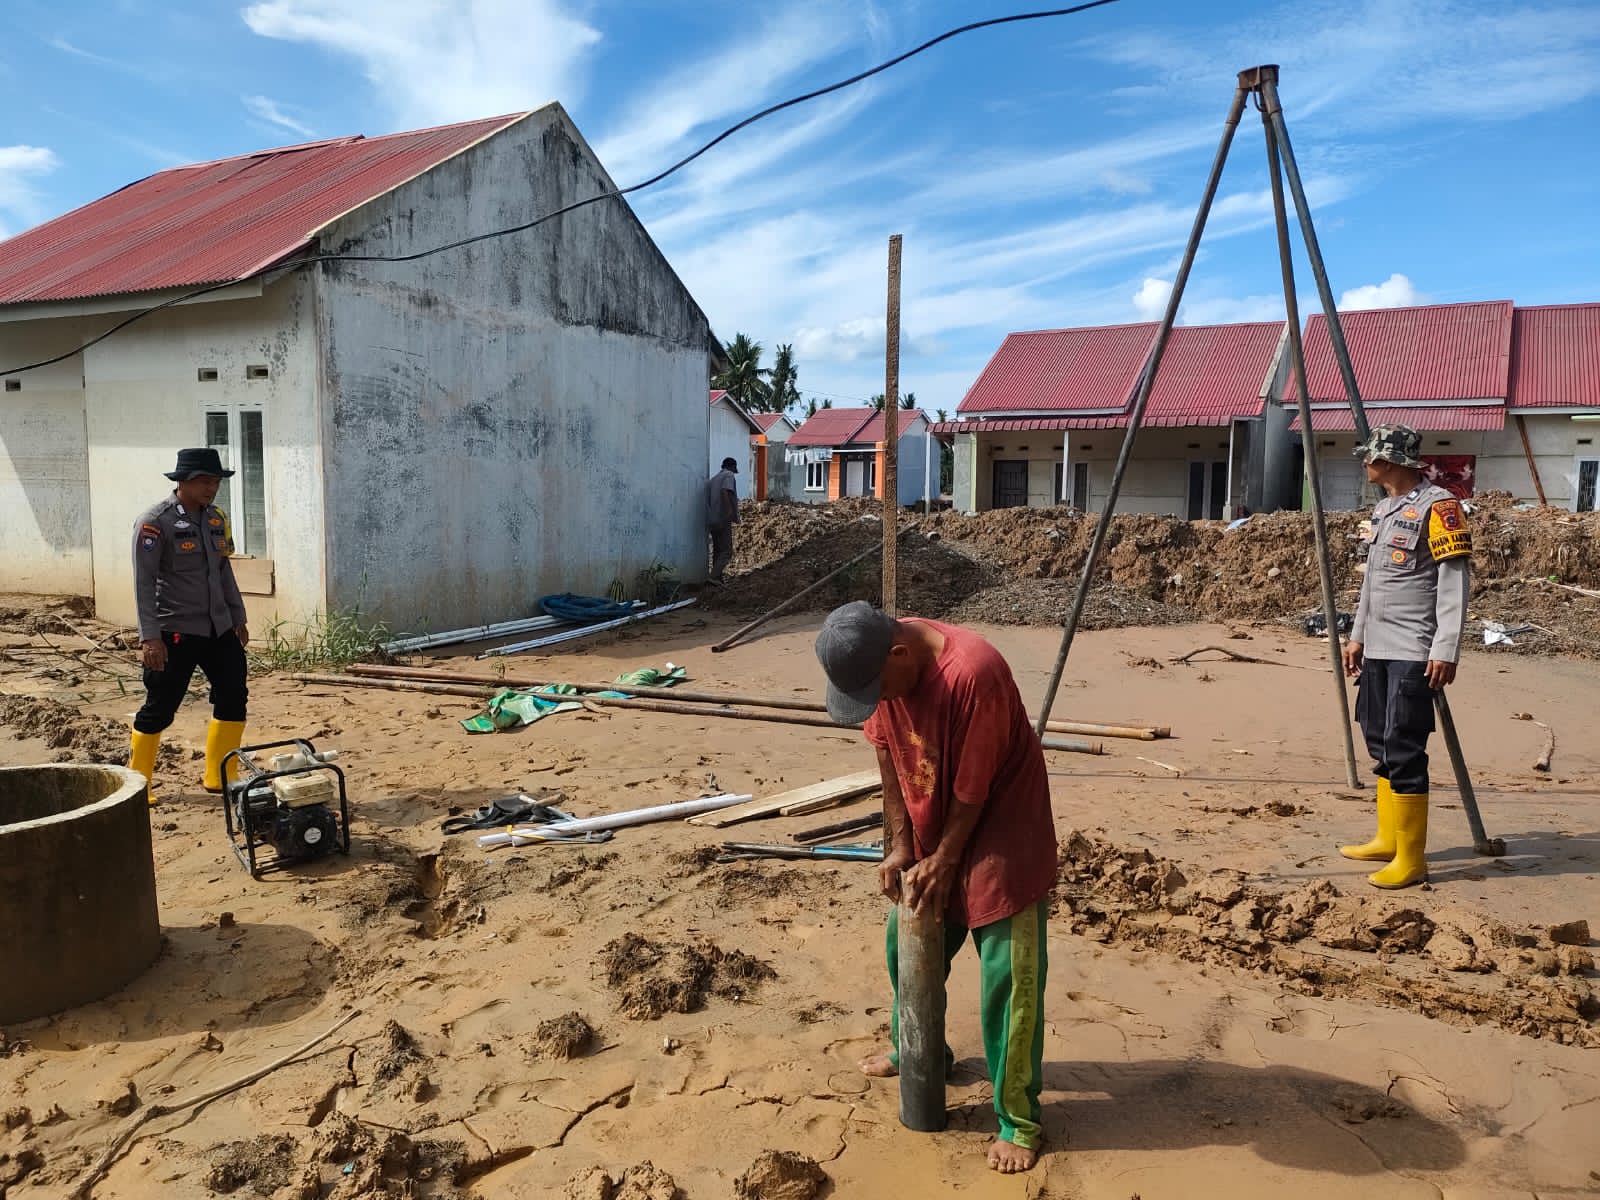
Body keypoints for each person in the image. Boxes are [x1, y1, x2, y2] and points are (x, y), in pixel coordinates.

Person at [814, 600, 1058, 1173]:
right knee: (905, 941)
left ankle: (1017, 1121)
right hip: (935, 824)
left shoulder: (975, 673)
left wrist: (947, 857)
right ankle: (919, 1050)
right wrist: (901, 844)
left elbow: (975, 789)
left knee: (1009, 979)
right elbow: (889, 758)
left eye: (878, 688)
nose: (880, 702)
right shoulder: (889, 675)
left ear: (899, 653)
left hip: (1002, 832)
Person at [1340, 425, 1470, 889]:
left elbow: (1453, 583)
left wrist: (1446, 647)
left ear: (1391, 461)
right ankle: (1387, 838)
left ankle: (1412, 860)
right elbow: (1372, 584)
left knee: (1404, 744)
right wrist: (1356, 636)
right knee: (1376, 734)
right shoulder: (1383, 509)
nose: (1364, 464)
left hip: (1415, 648)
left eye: (1370, 457)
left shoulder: (1440, 507)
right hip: (1377, 646)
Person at [127, 447, 252, 804]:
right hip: (174, 632)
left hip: (218, 629)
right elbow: (143, 584)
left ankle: (221, 775)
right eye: (203, 481)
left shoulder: (215, 519)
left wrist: (238, 618)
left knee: (233, 695)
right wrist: (150, 638)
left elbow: (224, 572)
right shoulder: (155, 522)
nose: (211, 488)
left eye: (215, 481)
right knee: (161, 706)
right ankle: (139, 786)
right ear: (182, 481)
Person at [705, 455, 740, 583]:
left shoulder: (713, 479)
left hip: (712, 519)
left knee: (718, 550)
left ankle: (717, 579)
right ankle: (713, 576)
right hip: (722, 517)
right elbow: (725, 491)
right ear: (732, 467)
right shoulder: (728, 475)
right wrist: (729, 510)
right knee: (727, 551)